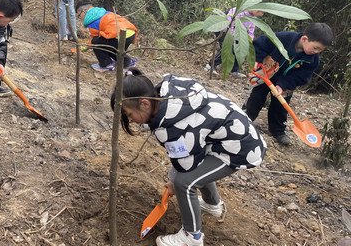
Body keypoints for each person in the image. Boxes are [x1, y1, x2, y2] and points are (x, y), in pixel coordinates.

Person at [111, 69, 266, 246]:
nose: (131, 120)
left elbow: (187, 164)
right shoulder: (171, 97)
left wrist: (174, 181)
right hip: (231, 135)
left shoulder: (173, 128)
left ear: (145, 104)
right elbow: (190, 151)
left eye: (130, 115)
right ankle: (212, 204)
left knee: (185, 182)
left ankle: (191, 236)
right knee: (194, 172)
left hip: (239, 148)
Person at [244, 22, 333, 145]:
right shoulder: (282, 38)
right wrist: (257, 59)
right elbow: (261, 44)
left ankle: (277, 131)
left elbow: (301, 77)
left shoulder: (313, 60)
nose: (316, 52)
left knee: (281, 106)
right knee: (257, 97)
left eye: (320, 50)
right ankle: (246, 118)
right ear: (305, 39)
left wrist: (283, 86)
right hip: (267, 73)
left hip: (286, 81)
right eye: (315, 48)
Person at [75, 0, 137, 72]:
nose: (80, 18)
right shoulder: (101, 12)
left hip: (119, 35)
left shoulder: (90, 20)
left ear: (84, 12)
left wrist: (85, 47)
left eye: (79, 15)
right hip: (130, 33)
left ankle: (105, 65)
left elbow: (95, 40)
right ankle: (127, 62)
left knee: (96, 43)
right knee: (110, 46)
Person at [206, 7, 265, 78]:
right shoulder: (239, 11)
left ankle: (234, 70)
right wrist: (236, 40)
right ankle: (210, 65)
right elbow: (230, 25)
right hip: (224, 31)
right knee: (228, 50)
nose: (262, 15)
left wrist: (248, 42)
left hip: (238, 34)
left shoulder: (253, 18)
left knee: (240, 49)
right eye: (262, 12)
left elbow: (251, 31)